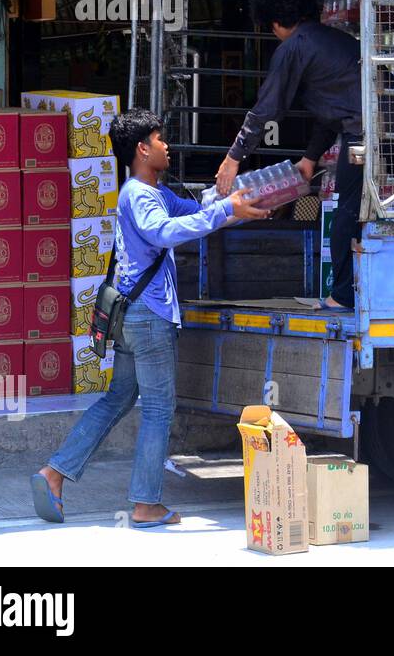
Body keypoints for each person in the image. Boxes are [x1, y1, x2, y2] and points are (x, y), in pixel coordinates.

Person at [32, 109, 267, 528]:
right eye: (160, 140)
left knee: (119, 397)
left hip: (132, 316)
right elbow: (165, 233)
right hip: (149, 315)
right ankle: (145, 504)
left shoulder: (152, 191)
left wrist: (238, 204)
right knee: (159, 407)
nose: (167, 146)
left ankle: (54, 473)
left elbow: (197, 212)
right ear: (142, 149)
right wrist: (224, 210)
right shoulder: (140, 196)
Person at [215, 0, 366, 310]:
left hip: (367, 135)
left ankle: (343, 295)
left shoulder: (293, 47)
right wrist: (311, 158)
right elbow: (334, 112)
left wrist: (233, 157)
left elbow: (267, 108)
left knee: (346, 210)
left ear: (274, 23)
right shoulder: (330, 40)